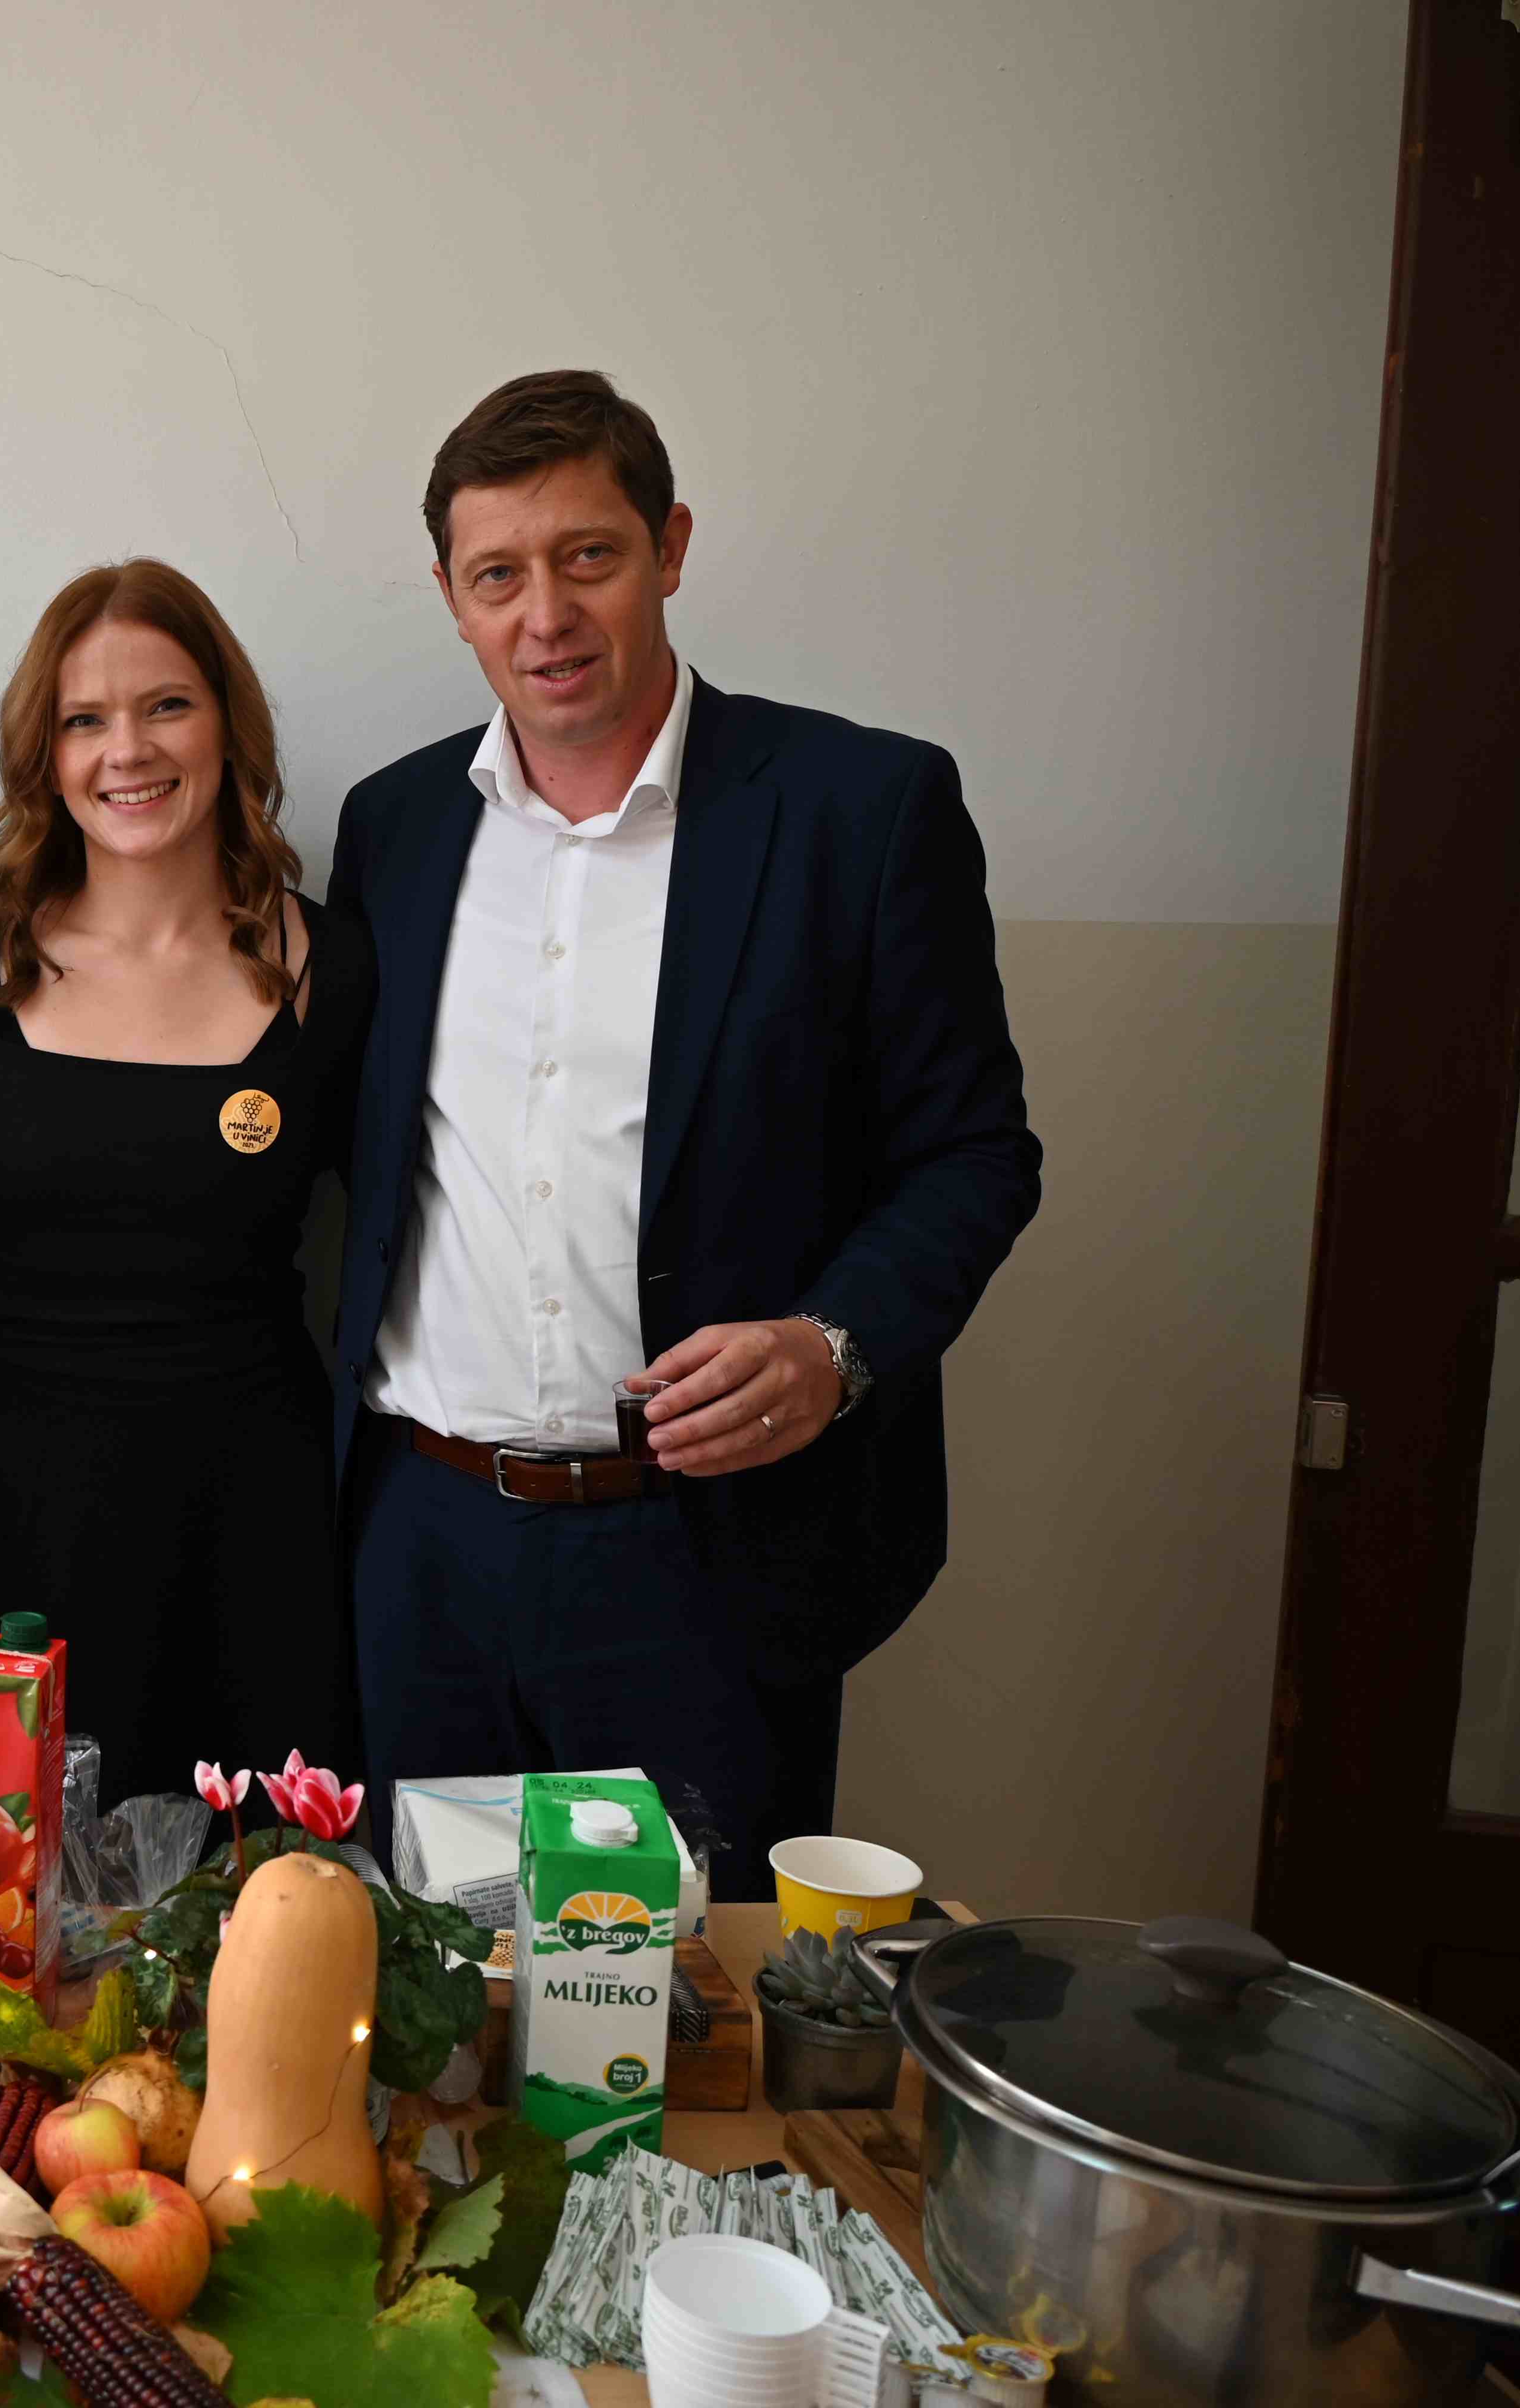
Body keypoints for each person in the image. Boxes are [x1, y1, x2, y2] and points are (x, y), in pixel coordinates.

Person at [330, 372, 1041, 1896]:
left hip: (701, 1559)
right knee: (433, 1988)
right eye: (496, 575)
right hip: (425, 1547)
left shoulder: (858, 807)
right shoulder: (392, 827)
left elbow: (975, 1151)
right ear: (449, 598)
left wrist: (832, 1343)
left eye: (585, 556)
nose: (544, 616)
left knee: (684, 2008)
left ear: (668, 548)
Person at [0, 561, 373, 1806]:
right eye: (84, 719)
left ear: (227, 724)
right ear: (43, 755)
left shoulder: (338, 966)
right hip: (14, 1507)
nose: (128, 750)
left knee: (261, 1894)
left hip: (250, 1517)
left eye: (166, 705)